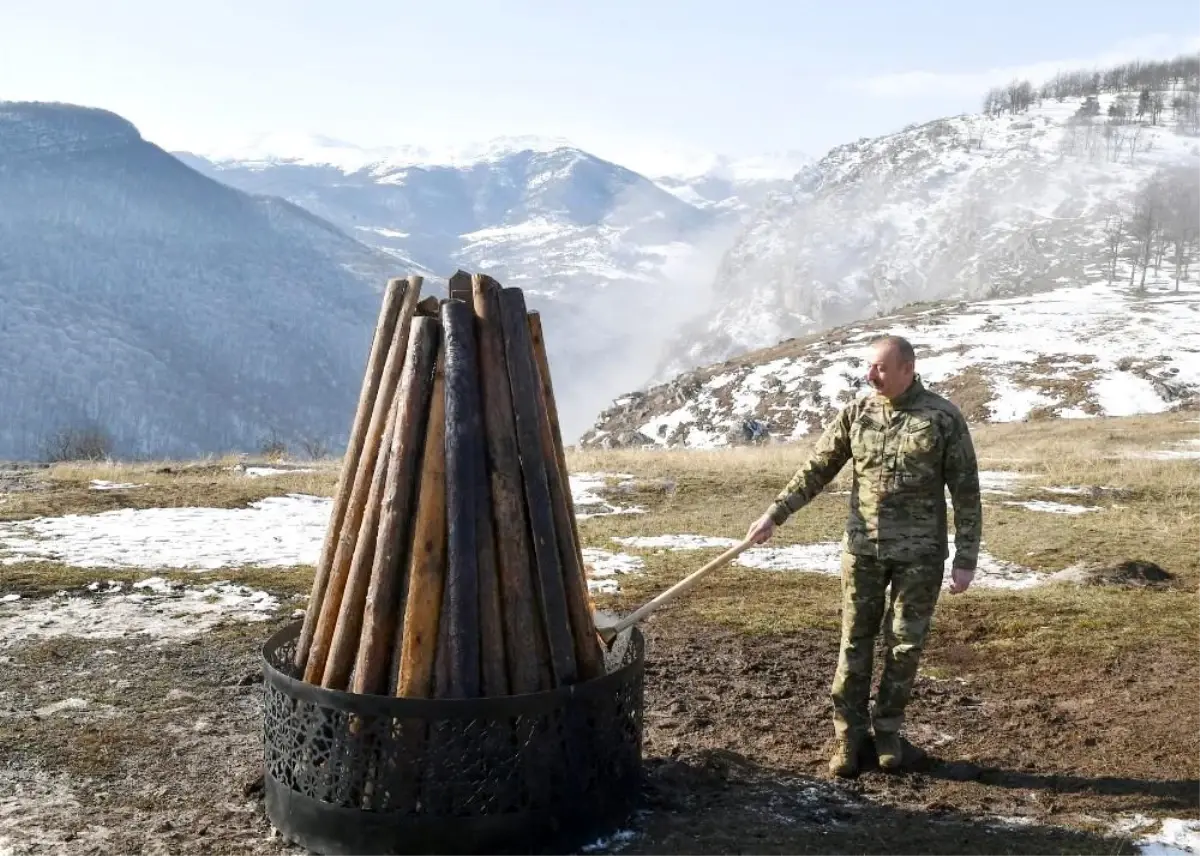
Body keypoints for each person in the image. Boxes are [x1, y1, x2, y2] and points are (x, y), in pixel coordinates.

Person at [745, 334, 982, 778]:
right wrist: (775, 515)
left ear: (908, 369)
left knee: (905, 646)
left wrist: (966, 558)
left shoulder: (943, 418)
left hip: (920, 556)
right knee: (855, 644)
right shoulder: (858, 414)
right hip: (864, 551)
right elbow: (817, 468)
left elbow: (966, 492)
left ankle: (888, 733)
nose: (871, 375)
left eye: (881, 368)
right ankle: (848, 739)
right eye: (870, 367)